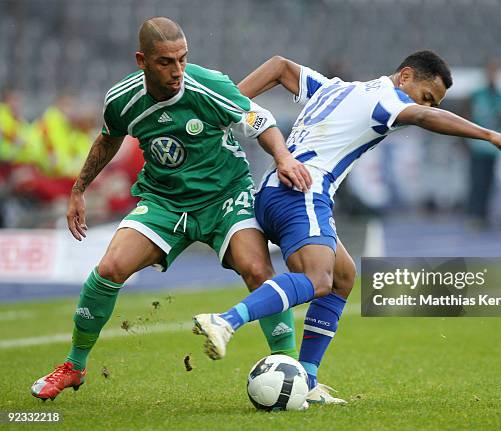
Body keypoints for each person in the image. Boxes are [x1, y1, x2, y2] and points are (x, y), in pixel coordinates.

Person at [192, 51, 501, 402]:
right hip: (303, 191)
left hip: (278, 189)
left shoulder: (337, 88)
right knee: (318, 279)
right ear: (405, 76)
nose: (424, 105)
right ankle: (225, 321)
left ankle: (306, 380)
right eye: (426, 95)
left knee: (342, 277)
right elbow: (427, 117)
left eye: (431, 101)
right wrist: (491, 136)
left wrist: (230, 103)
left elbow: (279, 67)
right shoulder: (386, 99)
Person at [30, 17, 311, 401]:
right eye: (166, 62)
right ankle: (74, 367)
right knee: (110, 268)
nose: (177, 70)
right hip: (165, 201)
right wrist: (79, 189)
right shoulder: (122, 99)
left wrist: (282, 157)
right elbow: (108, 139)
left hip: (224, 197)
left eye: (182, 59)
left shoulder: (208, 84)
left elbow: (260, 121)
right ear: (141, 60)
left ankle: (290, 369)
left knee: (257, 268)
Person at [467, 60, 501, 227]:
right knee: (476, 181)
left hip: (493, 147)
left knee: (490, 182)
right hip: (477, 145)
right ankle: (474, 214)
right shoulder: (476, 95)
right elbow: (466, 117)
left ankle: (485, 214)